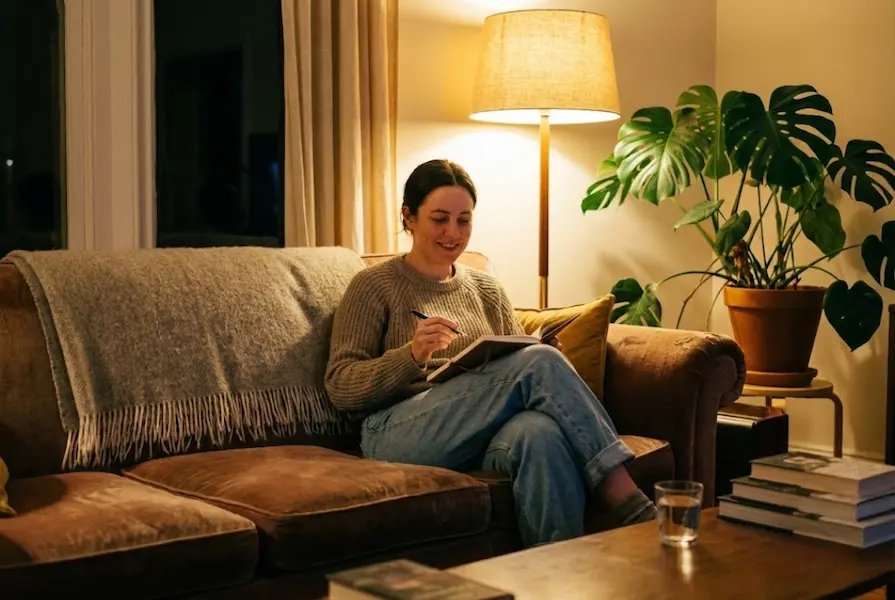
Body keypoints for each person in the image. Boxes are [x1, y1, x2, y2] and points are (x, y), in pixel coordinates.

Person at [324, 159, 656, 547]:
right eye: (439, 219)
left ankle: (558, 576)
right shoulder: (373, 286)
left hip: (479, 432)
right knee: (539, 365)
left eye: (464, 220)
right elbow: (340, 387)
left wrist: (540, 350)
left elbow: (517, 366)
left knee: (540, 432)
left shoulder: (486, 289)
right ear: (408, 217)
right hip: (394, 432)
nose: (453, 233)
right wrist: (411, 355)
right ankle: (623, 494)